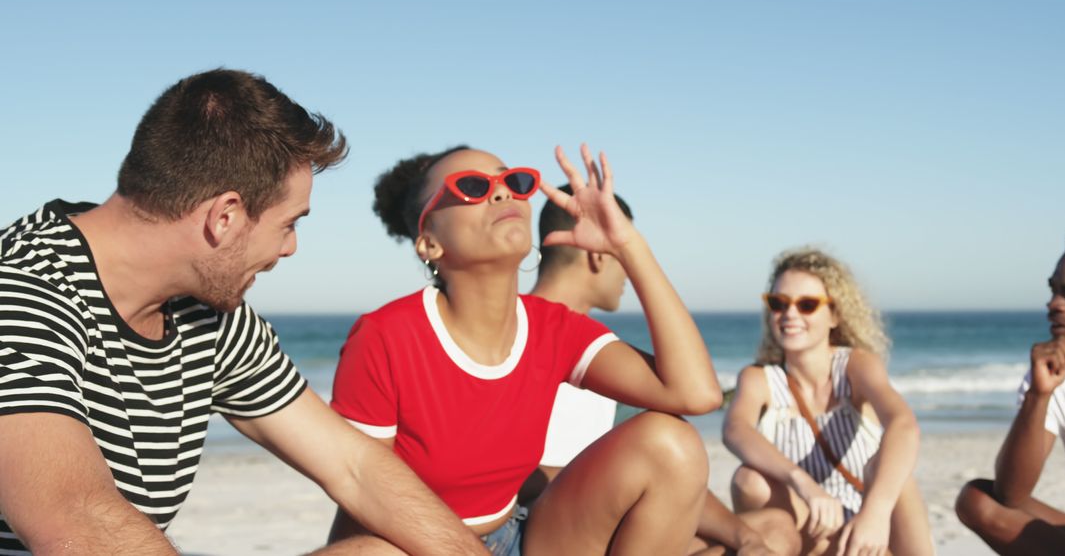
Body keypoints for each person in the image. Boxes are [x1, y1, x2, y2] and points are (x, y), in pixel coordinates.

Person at [0, 69, 485, 555]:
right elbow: (78, 520)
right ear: (225, 216)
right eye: (289, 224)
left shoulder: (205, 313)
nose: (291, 248)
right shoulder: (22, 290)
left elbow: (353, 466)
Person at [329, 144, 723, 555]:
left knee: (672, 443)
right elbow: (363, 492)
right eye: (472, 187)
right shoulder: (386, 335)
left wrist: (627, 245)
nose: (502, 193)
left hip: (525, 537)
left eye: (512, 182)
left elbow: (695, 394)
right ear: (429, 243)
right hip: (414, 546)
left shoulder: (553, 327)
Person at [521, 185, 797, 555]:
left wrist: (745, 539)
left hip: (613, 523)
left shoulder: (600, 353)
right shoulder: (516, 331)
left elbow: (678, 444)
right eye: (623, 255)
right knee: (667, 440)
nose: (627, 279)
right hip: (544, 533)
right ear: (598, 256)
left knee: (776, 532)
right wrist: (609, 480)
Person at [722, 248, 932, 555]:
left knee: (892, 471)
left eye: (807, 305)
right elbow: (735, 431)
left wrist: (875, 513)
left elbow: (904, 425)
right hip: (812, 527)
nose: (790, 314)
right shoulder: (760, 379)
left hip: (875, 525)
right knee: (750, 479)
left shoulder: (856, 366)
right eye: (779, 303)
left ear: (834, 314)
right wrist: (803, 483)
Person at [954, 231, 1065, 554]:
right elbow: (1011, 495)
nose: (1054, 305)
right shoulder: (1056, 373)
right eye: (1053, 291)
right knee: (977, 500)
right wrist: (1038, 396)